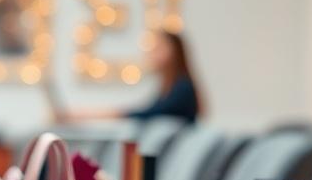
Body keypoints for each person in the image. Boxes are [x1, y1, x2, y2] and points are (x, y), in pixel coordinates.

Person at [55, 29, 206, 124]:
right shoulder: (169, 88)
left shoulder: (182, 89)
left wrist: (91, 115)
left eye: (157, 49)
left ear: (174, 52)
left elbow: (147, 114)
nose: (151, 54)